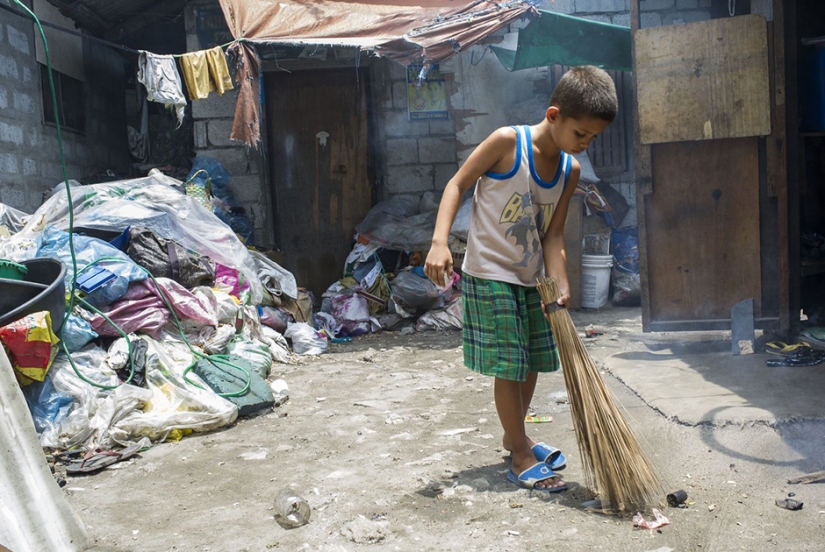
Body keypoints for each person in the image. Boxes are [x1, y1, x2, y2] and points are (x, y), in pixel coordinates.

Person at [424, 66, 618, 492]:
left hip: (531, 280)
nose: (585, 145)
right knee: (510, 368)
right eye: (581, 134)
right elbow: (457, 185)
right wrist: (440, 242)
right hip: (490, 272)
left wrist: (561, 280)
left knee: (529, 362)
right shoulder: (507, 143)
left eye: (593, 139)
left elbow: (552, 234)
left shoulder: (570, 171)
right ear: (553, 115)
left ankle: (517, 437)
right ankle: (520, 454)